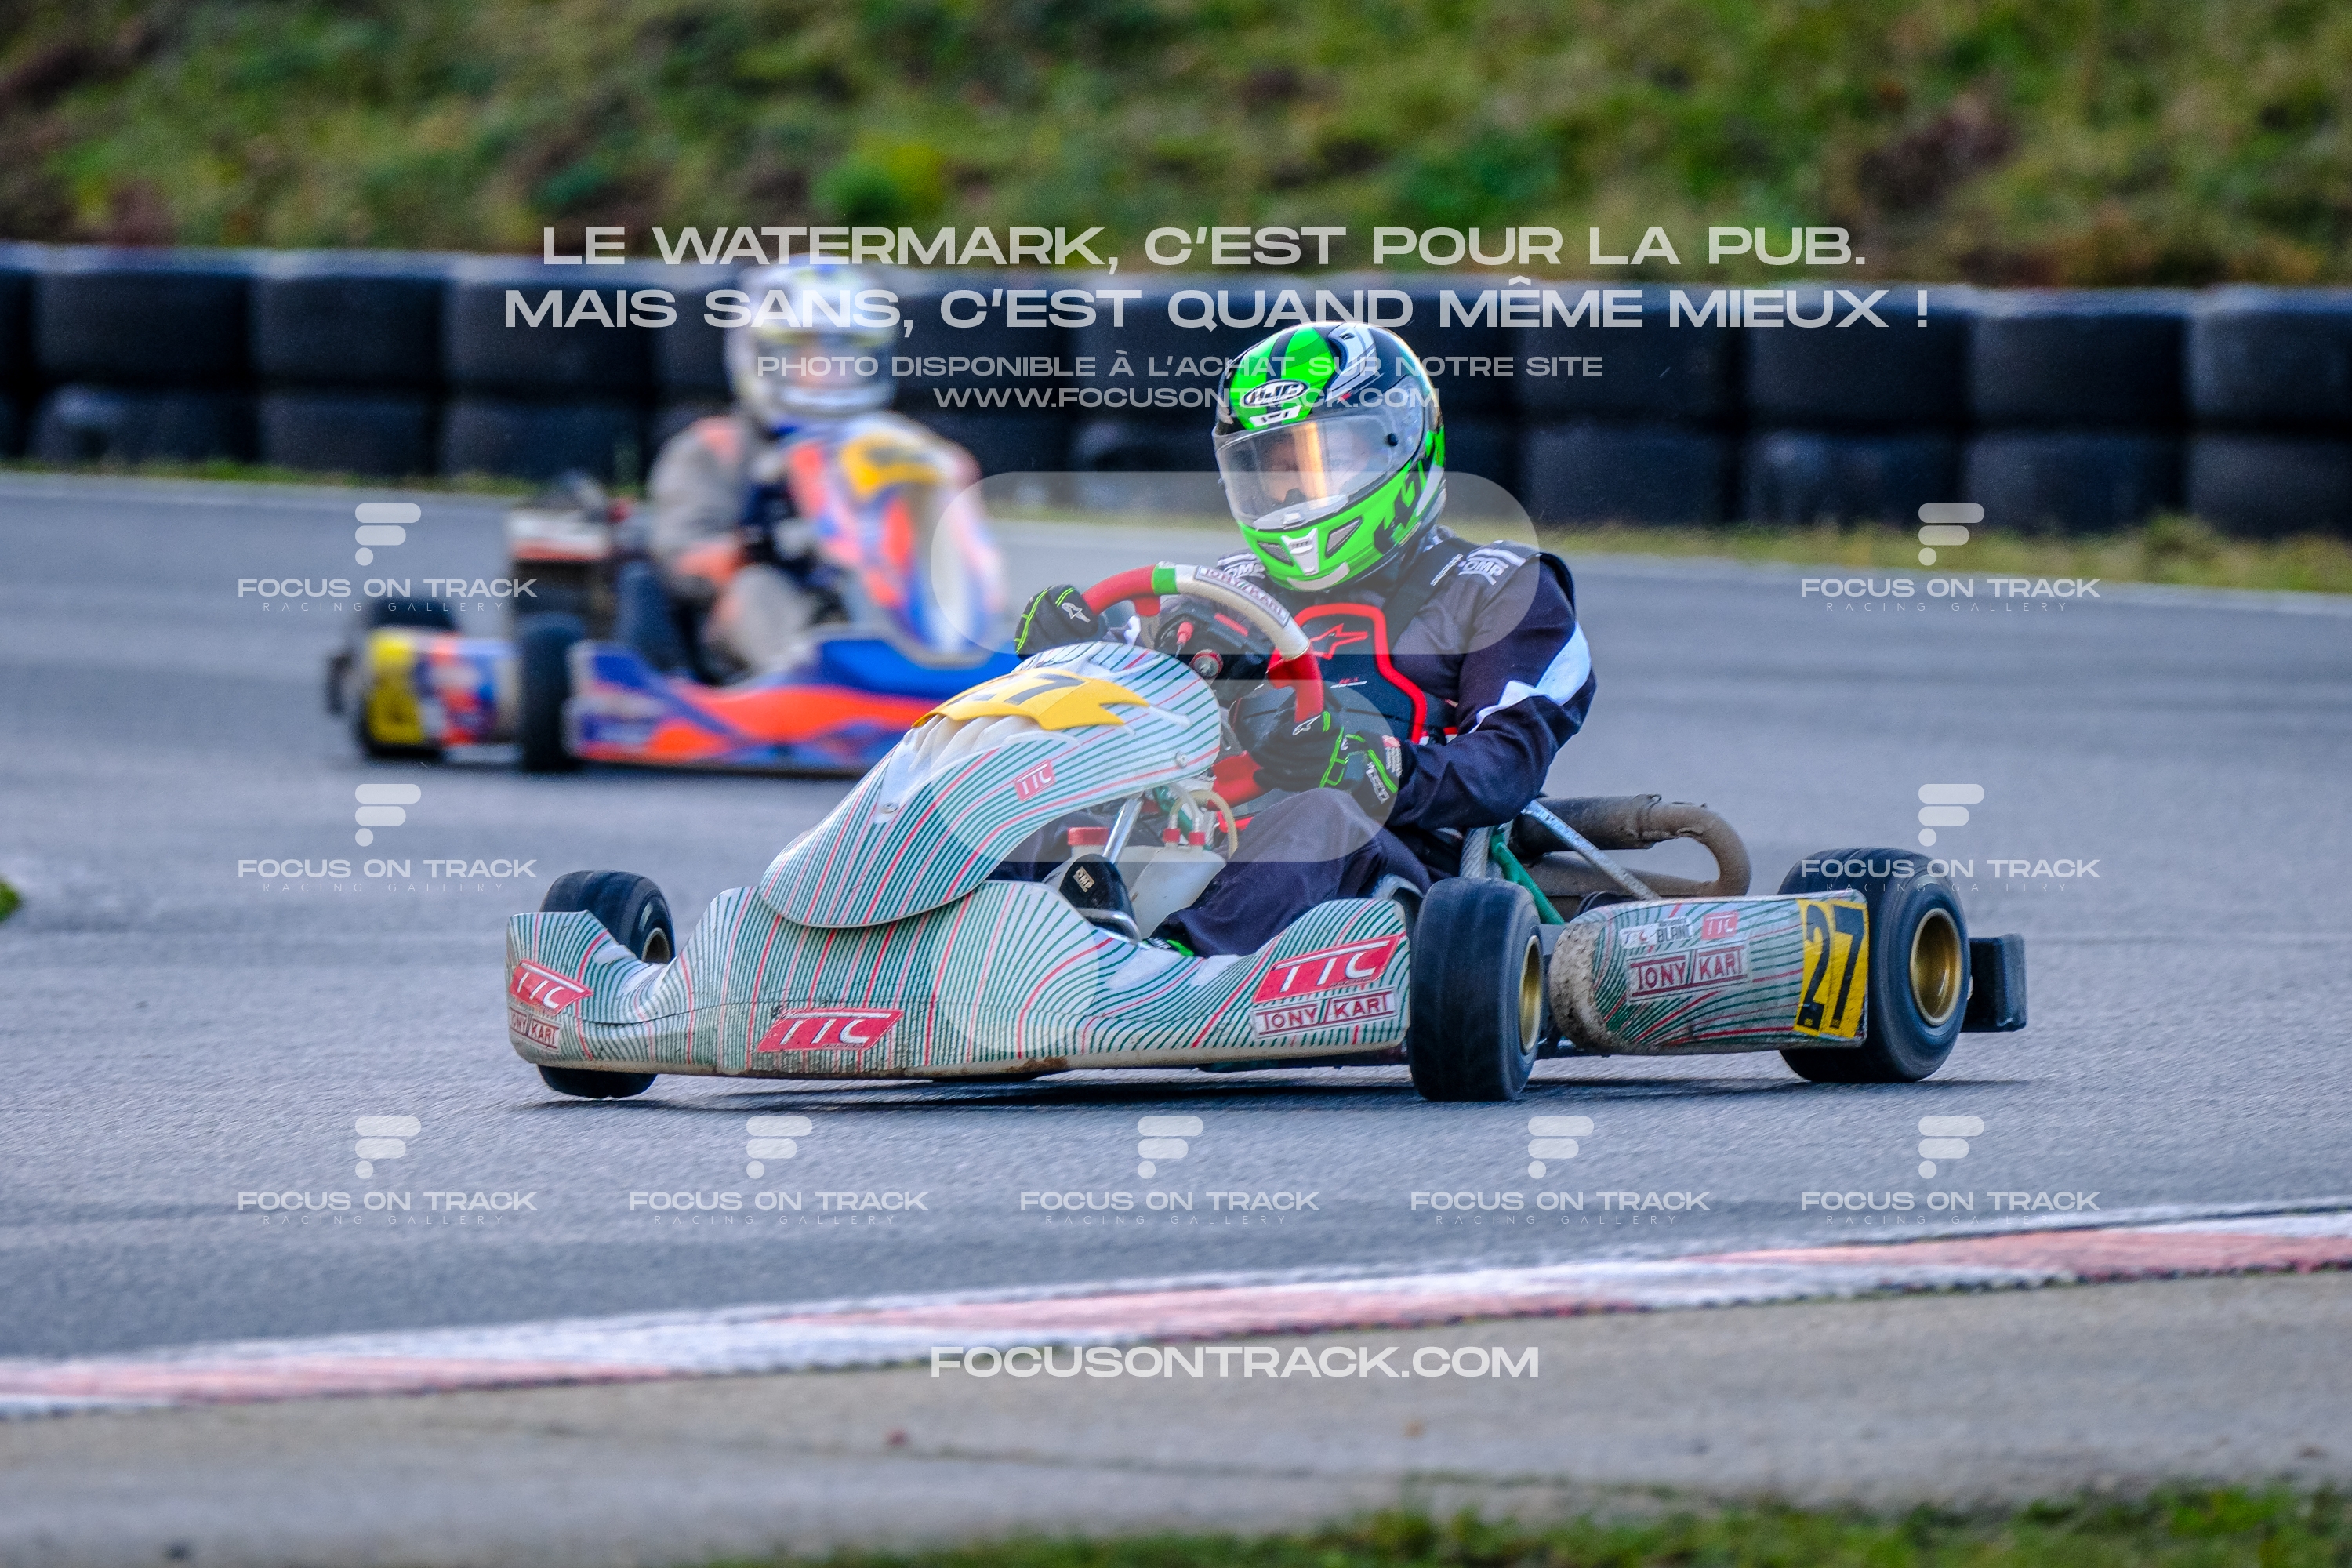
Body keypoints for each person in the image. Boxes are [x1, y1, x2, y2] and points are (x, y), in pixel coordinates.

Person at [1012, 321, 1595, 956]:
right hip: (1205, 836)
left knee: (1321, 813)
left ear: (1401, 443)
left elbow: (1506, 766)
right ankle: (969, 950)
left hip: (1403, 871)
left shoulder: (1498, 585)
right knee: (1036, 799)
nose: (1297, 492)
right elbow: (1131, 687)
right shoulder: (1224, 589)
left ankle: (1173, 970)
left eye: (1328, 459)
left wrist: (1369, 765)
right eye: (1275, 468)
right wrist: (1075, 651)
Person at [636, 260, 1000, 679]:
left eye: (848, 355)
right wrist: (760, 546)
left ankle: (960, 669)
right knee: (756, 587)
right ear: (761, 355)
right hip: (760, 636)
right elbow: (681, 562)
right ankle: (819, 684)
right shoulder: (716, 448)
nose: (829, 371)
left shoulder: (908, 450)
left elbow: (964, 556)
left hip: (884, 608)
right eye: (808, 354)